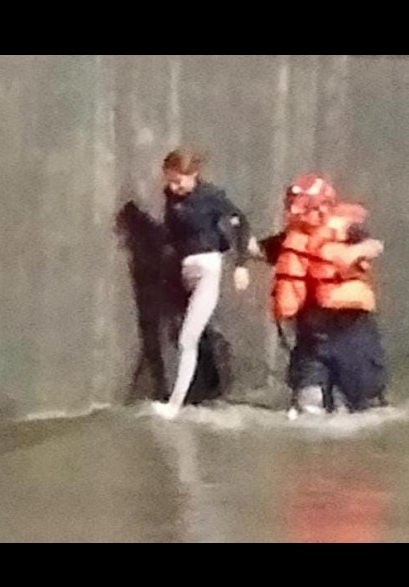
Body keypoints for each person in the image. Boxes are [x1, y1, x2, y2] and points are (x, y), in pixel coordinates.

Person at [256, 174, 388, 419]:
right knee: (308, 404)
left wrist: (355, 252)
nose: (296, 212)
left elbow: (375, 245)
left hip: (352, 332)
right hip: (312, 338)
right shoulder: (290, 239)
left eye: (303, 206)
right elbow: (255, 249)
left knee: (356, 407)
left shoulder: (347, 230)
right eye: (293, 206)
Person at [151, 149, 251, 420]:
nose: (174, 187)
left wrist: (241, 264)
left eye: (179, 181)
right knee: (178, 334)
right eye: (170, 180)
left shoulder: (211, 195)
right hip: (184, 269)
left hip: (208, 267)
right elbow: (173, 233)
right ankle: (202, 390)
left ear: (194, 174)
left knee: (188, 338)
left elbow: (241, 223)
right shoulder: (172, 197)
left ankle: (174, 406)